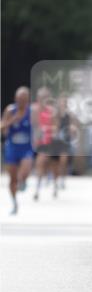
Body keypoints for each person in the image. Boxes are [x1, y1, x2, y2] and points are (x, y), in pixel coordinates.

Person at [1, 86, 34, 214]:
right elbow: (2, 127)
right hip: (12, 147)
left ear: (28, 100)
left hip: (26, 146)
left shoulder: (32, 112)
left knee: (25, 169)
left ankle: (23, 180)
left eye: (24, 99)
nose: (21, 102)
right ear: (16, 99)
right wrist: (11, 122)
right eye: (19, 99)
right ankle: (14, 202)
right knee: (12, 179)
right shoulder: (10, 110)